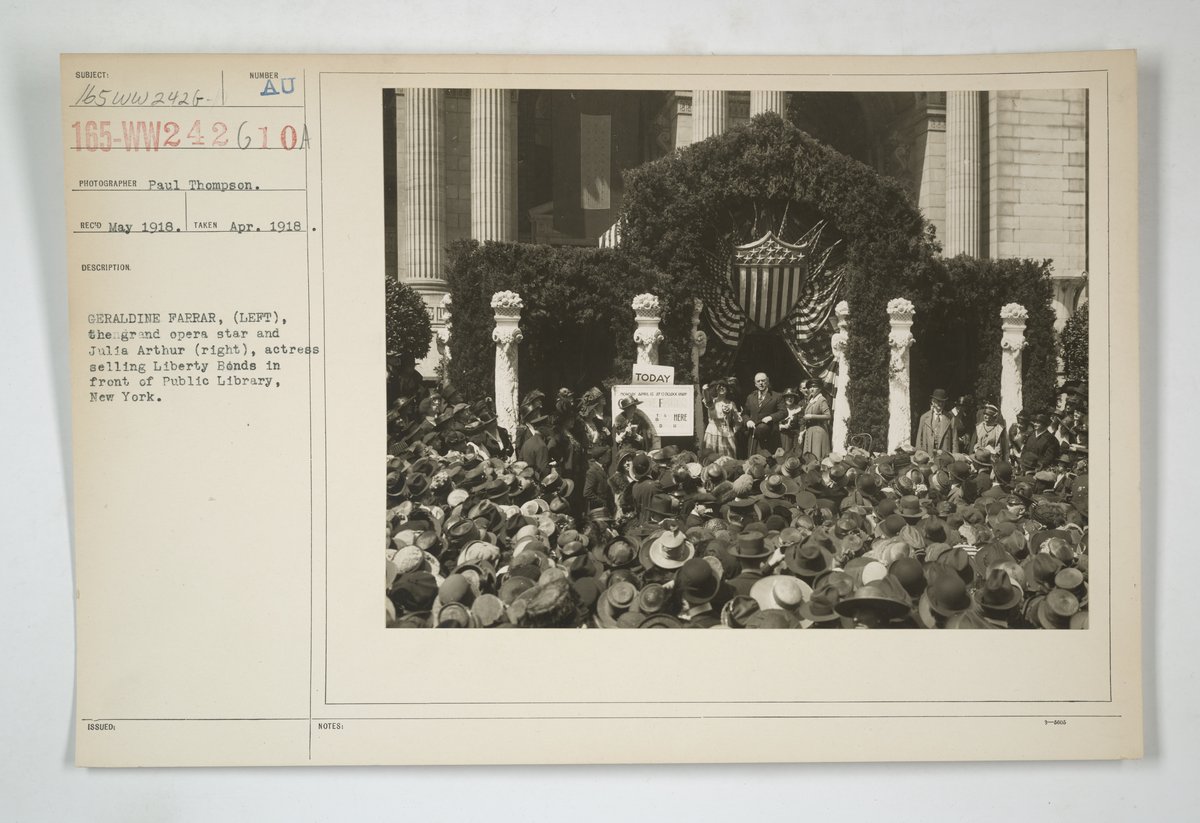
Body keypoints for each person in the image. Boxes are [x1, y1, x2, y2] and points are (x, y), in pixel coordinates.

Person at [743, 372, 784, 456]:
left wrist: (771, 417)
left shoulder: (777, 396)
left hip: (770, 436)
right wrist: (747, 421)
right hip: (754, 436)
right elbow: (744, 413)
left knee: (769, 463)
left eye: (763, 380)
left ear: (767, 382)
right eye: (758, 381)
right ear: (755, 384)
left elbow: (784, 412)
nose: (761, 383)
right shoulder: (750, 397)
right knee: (753, 462)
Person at [701, 379, 740, 458]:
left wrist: (735, 429)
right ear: (716, 389)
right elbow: (706, 397)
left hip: (726, 432)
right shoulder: (712, 402)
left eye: (724, 387)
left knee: (728, 456)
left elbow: (737, 419)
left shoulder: (731, 404)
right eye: (719, 387)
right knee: (711, 456)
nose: (721, 388)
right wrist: (705, 389)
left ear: (727, 390)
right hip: (713, 431)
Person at [915, 388, 961, 454]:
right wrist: (919, 457)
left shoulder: (950, 418)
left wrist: (955, 457)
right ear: (932, 401)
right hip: (928, 457)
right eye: (938, 401)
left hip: (944, 457)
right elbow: (919, 440)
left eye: (943, 401)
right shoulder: (924, 417)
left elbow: (955, 441)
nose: (940, 403)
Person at [799, 379, 832, 460]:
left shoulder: (821, 400)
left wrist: (812, 416)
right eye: (810, 387)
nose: (812, 389)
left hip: (818, 431)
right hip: (810, 431)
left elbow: (828, 416)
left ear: (820, 388)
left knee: (817, 456)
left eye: (815, 387)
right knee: (809, 457)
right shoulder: (811, 400)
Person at [777, 387, 805, 458]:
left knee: (795, 454)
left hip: (794, 435)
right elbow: (775, 422)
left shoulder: (798, 409)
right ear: (784, 398)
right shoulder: (780, 409)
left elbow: (802, 423)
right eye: (787, 397)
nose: (789, 399)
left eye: (791, 397)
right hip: (782, 435)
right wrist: (782, 426)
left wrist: (801, 434)